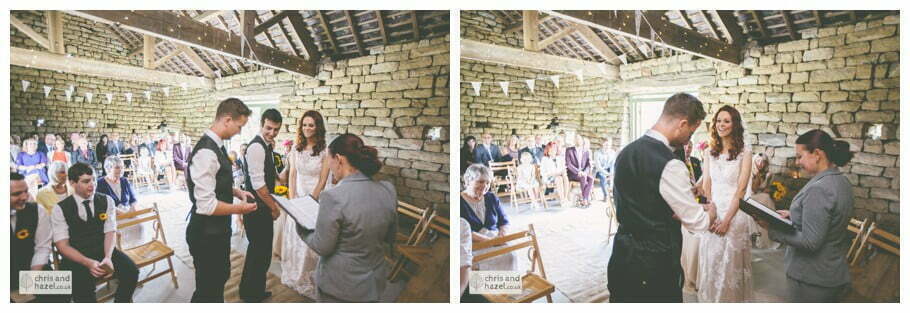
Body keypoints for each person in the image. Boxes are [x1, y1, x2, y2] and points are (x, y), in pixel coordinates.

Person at [608, 93, 717, 302]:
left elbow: (639, 199)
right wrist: (710, 213)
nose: (689, 139)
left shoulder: (626, 151)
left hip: (622, 256)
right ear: (683, 124)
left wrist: (675, 205)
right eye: (691, 132)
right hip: (654, 264)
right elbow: (698, 223)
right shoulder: (670, 164)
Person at [755, 130, 855, 303]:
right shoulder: (840, 181)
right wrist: (794, 214)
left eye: (800, 156)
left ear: (817, 154)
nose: (797, 162)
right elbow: (827, 219)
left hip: (813, 278)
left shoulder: (820, 188)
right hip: (830, 272)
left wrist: (771, 229)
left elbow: (810, 242)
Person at [296, 134, 396, 303]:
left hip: (341, 286)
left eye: (329, 161)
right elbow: (390, 237)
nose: (329, 166)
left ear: (339, 159)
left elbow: (322, 247)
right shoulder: (388, 189)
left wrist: (301, 226)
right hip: (374, 281)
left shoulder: (333, 196)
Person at [185, 98, 257, 302]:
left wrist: (236, 192)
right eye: (239, 126)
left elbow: (215, 182)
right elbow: (206, 204)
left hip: (216, 231)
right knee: (209, 290)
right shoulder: (207, 152)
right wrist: (240, 209)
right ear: (227, 120)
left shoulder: (217, 146)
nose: (240, 132)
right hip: (206, 234)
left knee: (219, 277)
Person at [50, 162, 139, 302]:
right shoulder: (60, 209)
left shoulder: (106, 201)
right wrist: (87, 262)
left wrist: (108, 257)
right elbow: (62, 246)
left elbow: (110, 231)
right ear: (72, 183)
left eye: (93, 180)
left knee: (131, 272)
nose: (92, 184)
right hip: (76, 257)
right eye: (86, 181)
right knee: (83, 292)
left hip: (102, 250)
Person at [696, 105, 753, 302]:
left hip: (734, 214)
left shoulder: (745, 152)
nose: (721, 125)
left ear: (734, 124)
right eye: (719, 121)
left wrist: (727, 220)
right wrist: (712, 213)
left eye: (726, 121)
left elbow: (741, 190)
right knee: (711, 262)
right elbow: (707, 184)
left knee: (729, 268)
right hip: (714, 212)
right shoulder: (710, 151)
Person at [283, 110, 333, 299]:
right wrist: (293, 198)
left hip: (315, 198)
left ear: (318, 127)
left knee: (311, 239)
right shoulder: (296, 149)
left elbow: (323, 179)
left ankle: (310, 275)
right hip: (298, 196)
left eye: (311, 125)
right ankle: (296, 273)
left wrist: (310, 201)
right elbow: (293, 174)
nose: (307, 128)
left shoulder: (325, 151)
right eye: (304, 125)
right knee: (296, 236)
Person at [238, 109, 284, 302]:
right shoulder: (257, 147)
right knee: (260, 252)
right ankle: (251, 294)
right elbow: (259, 186)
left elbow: (271, 173)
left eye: (276, 130)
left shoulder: (266, 145)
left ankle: (251, 289)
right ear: (261, 124)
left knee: (260, 251)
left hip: (259, 206)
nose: (272, 133)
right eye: (268, 128)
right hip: (256, 207)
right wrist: (274, 207)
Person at [460, 164, 516, 271]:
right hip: (473, 245)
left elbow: (504, 221)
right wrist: (491, 242)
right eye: (480, 181)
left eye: (488, 182)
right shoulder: (459, 202)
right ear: (468, 181)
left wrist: (501, 235)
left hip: (494, 240)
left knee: (511, 255)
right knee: (481, 262)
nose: (485, 186)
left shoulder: (491, 198)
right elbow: (464, 232)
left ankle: (506, 287)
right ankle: (485, 287)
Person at [10, 172, 56, 301]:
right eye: (16, 194)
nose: (24, 197)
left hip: (35, 267)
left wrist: (31, 278)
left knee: (64, 290)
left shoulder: (37, 210)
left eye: (26, 191)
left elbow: (42, 248)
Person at [96, 156, 143, 248]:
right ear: (108, 168)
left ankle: (136, 250)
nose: (121, 170)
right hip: (111, 216)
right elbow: (102, 204)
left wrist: (132, 210)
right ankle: (123, 251)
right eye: (117, 167)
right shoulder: (100, 183)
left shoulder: (124, 181)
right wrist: (123, 214)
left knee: (139, 226)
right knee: (120, 231)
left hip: (127, 213)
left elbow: (133, 199)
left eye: (122, 167)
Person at [749, 153, 778, 249]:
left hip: (760, 196)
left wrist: (769, 190)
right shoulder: (751, 172)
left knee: (767, 198)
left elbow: (766, 188)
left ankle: (772, 230)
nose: (761, 164)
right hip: (750, 196)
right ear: (754, 162)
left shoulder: (768, 174)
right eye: (758, 162)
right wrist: (757, 176)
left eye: (763, 162)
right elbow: (753, 189)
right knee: (766, 198)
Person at [565, 134, 594, 208]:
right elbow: (568, 164)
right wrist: (578, 172)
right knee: (583, 177)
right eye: (576, 139)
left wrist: (585, 172)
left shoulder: (586, 151)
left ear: (582, 141)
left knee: (591, 178)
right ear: (574, 140)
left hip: (583, 173)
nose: (578, 140)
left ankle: (584, 198)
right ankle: (585, 200)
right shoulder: (569, 150)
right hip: (573, 173)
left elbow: (588, 164)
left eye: (579, 139)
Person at [540, 142, 569, 207]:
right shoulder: (544, 159)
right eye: (551, 150)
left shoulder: (560, 158)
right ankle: (562, 200)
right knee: (559, 178)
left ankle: (565, 198)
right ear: (548, 150)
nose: (553, 151)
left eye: (554, 150)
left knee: (564, 176)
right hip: (549, 177)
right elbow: (542, 172)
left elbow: (563, 167)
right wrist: (552, 174)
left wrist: (562, 172)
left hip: (559, 176)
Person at [593, 138, 617, 202]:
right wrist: (607, 174)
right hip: (600, 170)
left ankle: (614, 193)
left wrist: (611, 174)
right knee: (603, 177)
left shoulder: (613, 152)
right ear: (602, 144)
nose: (607, 146)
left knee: (616, 175)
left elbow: (612, 165)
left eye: (609, 145)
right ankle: (606, 195)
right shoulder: (597, 153)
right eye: (606, 144)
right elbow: (599, 167)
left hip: (609, 169)